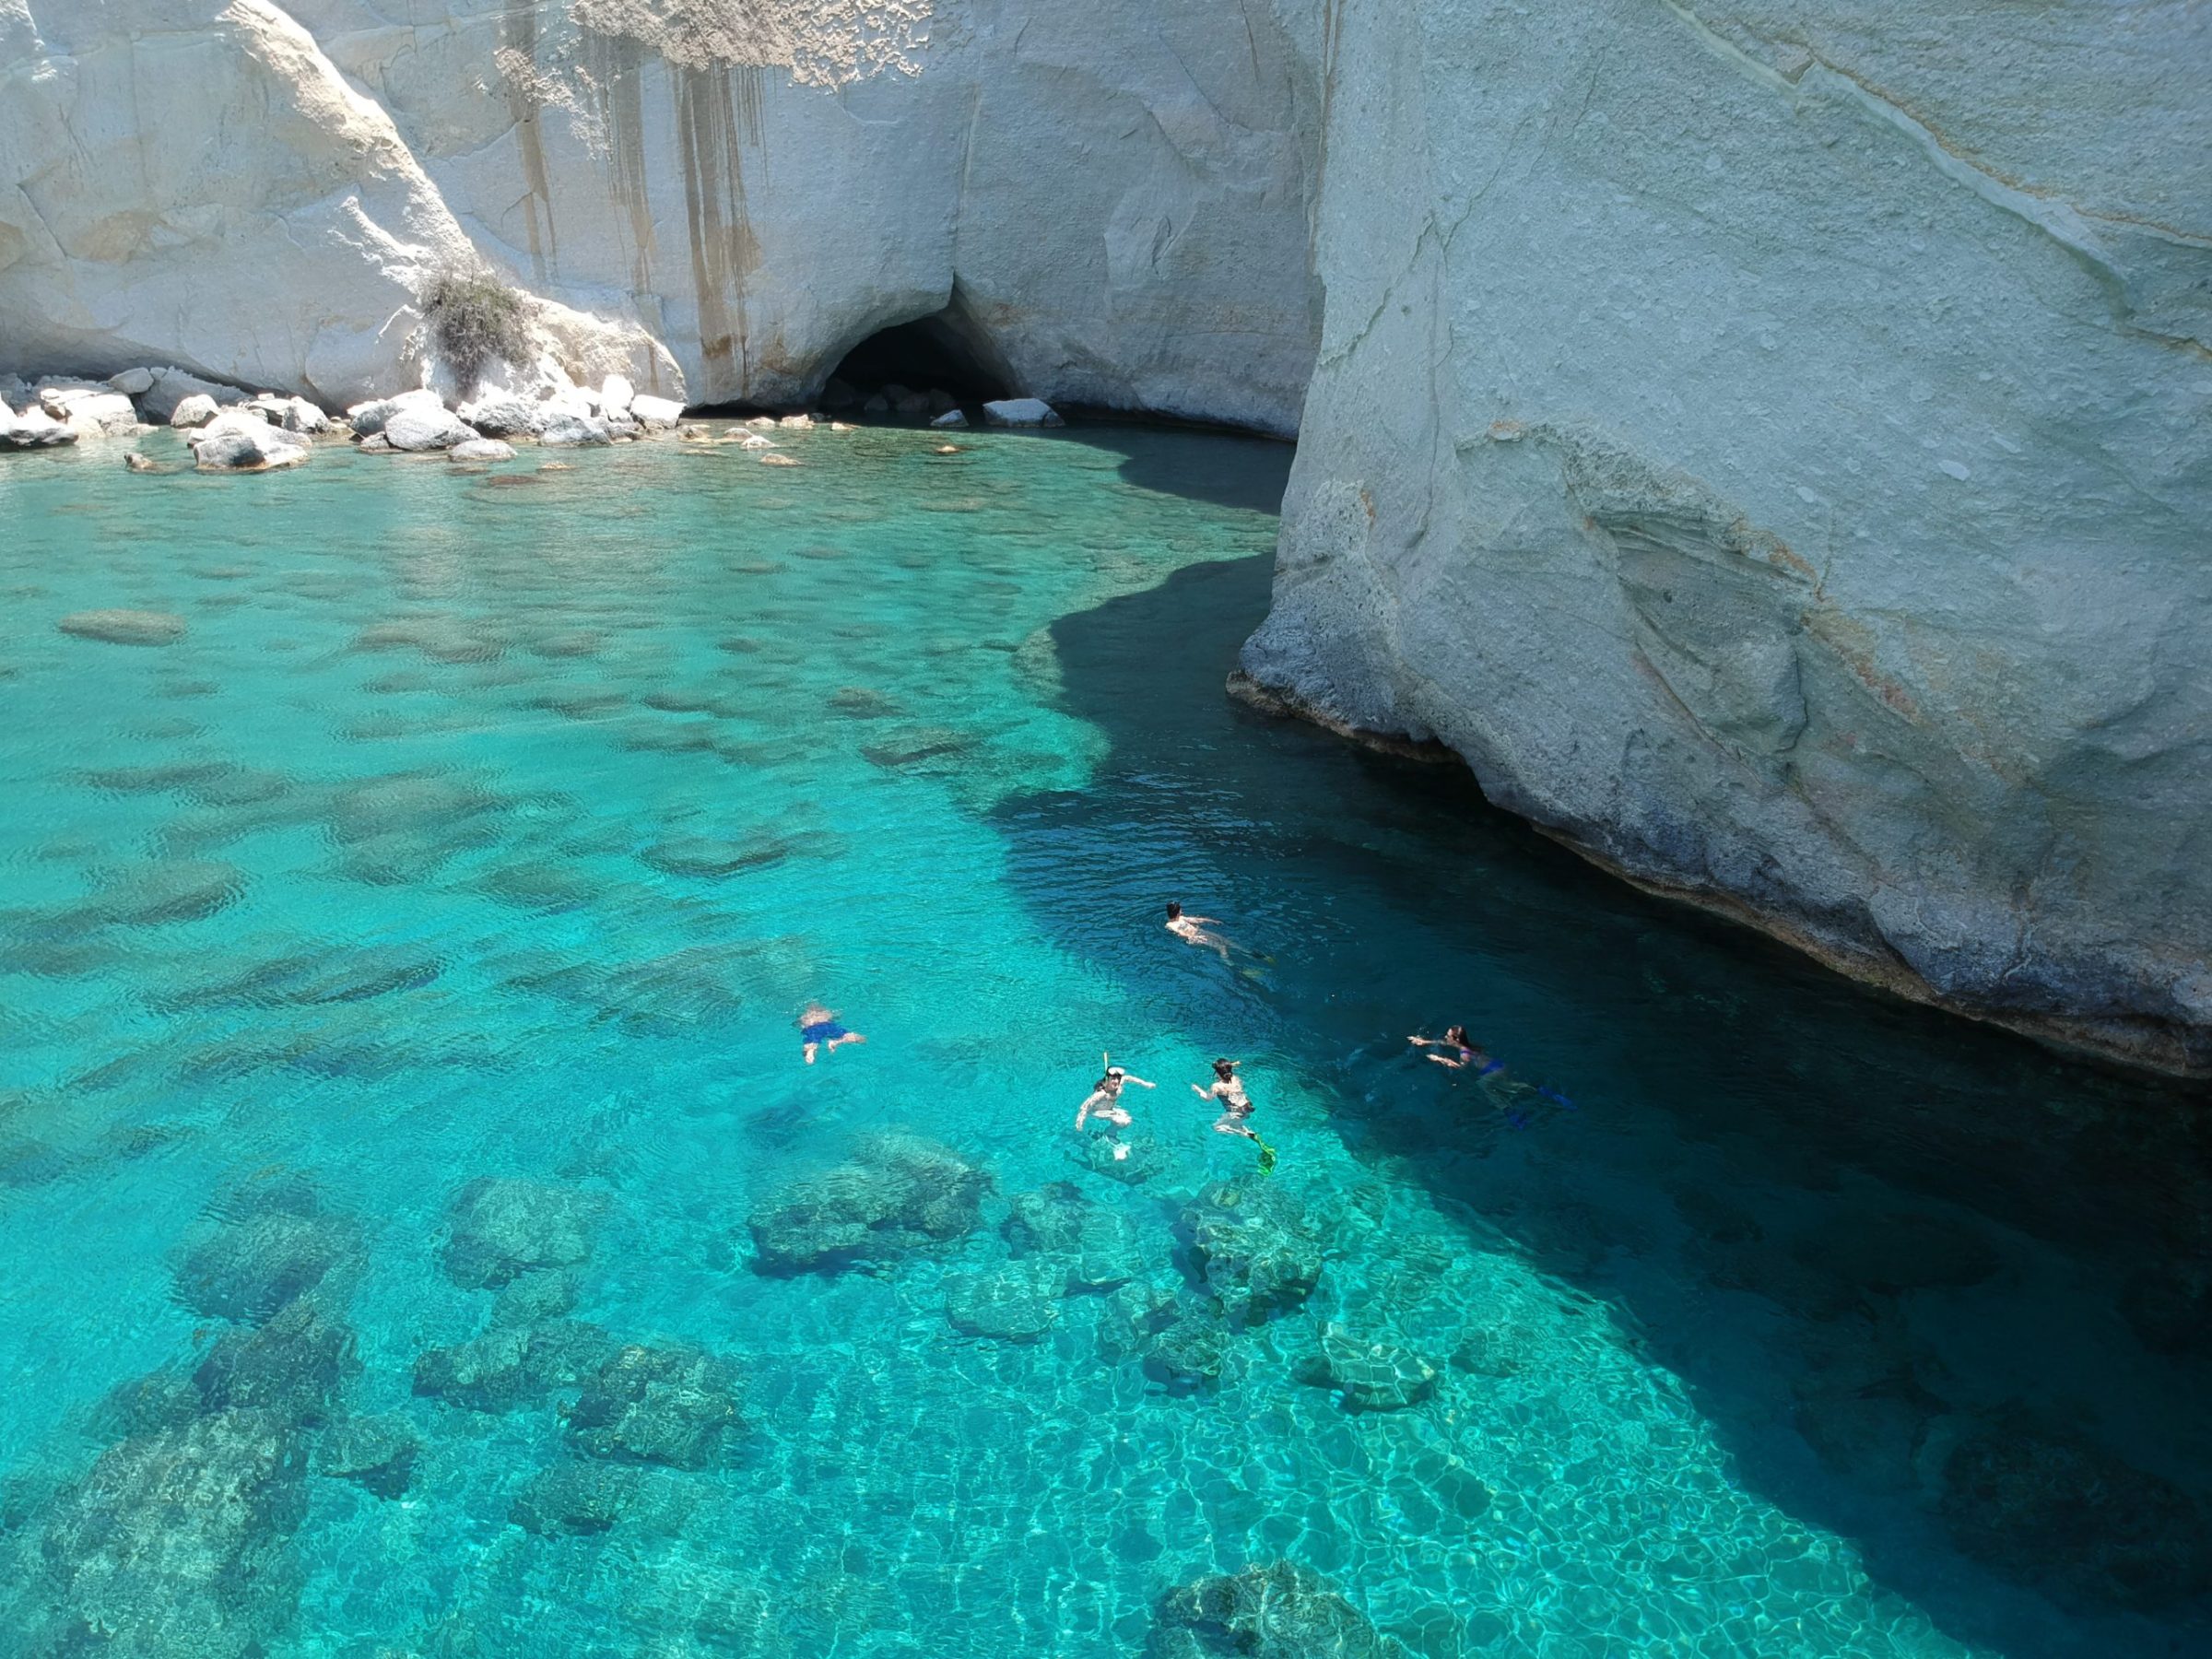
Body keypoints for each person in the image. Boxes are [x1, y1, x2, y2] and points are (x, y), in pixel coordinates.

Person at [1193, 1057, 1275, 1171]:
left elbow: (1208, 1098)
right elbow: (1227, 1070)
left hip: (1235, 1112)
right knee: (1236, 1124)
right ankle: (1249, 1133)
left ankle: (1250, 1135)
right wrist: (1232, 1064)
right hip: (1247, 1106)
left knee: (1217, 1127)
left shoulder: (1217, 1086)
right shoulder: (1236, 1078)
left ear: (1217, 1073)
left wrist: (1197, 1089)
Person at [1076, 1062, 1156, 1159]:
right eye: (1113, 1079)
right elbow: (1084, 1107)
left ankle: (1110, 1132)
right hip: (1097, 1112)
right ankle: (1109, 1135)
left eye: (1118, 1078)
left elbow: (1128, 1078)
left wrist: (1145, 1084)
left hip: (1109, 1108)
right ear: (1107, 1080)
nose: (1116, 1081)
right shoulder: (1101, 1094)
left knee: (1127, 1119)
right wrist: (1079, 1124)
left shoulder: (1119, 1085)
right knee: (1123, 1122)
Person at [1165, 901, 1234, 962]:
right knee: (1221, 947)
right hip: (1194, 938)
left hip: (1199, 932)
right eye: (1180, 909)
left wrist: (1212, 921)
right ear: (1177, 912)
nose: (1181, 910)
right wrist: (1194, 937)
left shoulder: (1181, 918)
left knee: (1225, 940)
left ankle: (1244, 951)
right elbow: (1180, 933)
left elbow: (1196, 920)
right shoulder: (1170, 925)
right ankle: (1228, 963)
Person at [799, 1003, 865, 1065]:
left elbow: (800, 1025)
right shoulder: (826, 1013)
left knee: (811, 1045)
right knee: (861, 1039)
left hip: (813, 1029)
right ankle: (837, 1042)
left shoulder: (806, 1016)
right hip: (829, 1026)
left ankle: (811, 1051)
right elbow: (837, 1016)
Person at [1408, 1024, 1486, 1070]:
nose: (1445, 1036)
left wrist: (1440, 1059)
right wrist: (1424, 1042)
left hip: (1490, 1071)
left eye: (1448, 1036)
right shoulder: (1462, 1044)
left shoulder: (1464, 1053)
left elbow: (1461, 1068)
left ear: (1457, 1040)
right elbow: (1444, 1042)